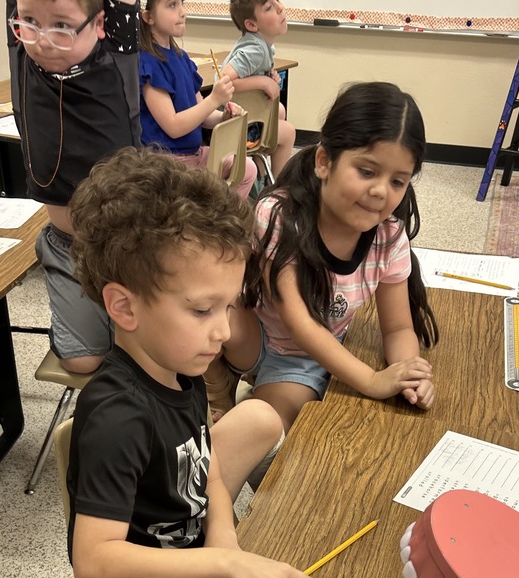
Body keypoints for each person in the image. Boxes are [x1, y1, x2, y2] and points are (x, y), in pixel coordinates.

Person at [66, 147, 338, 578]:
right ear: (124, 306)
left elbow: (204, 463)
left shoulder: (178, 364)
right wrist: (221, 563)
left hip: (194, 551)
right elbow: (95, 566)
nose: (224, 331)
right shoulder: (118, 417)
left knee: (258, 419)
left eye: (229, 306)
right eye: (201, 310)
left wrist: (224, 539)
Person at [204, 81, 438, 432]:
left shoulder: (388, 235)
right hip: (251, 335)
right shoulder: (278, 215)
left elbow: (399, 327)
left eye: (398, 181)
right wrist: (373, 381)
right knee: (199, 308)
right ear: (325, 161)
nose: (380, 191)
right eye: (367, 171)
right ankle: (214, 386)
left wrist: (407, 373)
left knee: (268, 433)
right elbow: (301, 323)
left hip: (303, 359)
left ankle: (243, 397)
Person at [6, 0, 140, 374]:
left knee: (145, 353)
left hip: (127, 243)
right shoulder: (23, 54)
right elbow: (30, 20)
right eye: (30, 22)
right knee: (83, 360)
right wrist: (35, 22)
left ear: (99, 23)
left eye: (62, 27)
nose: (43, 40)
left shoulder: (115, 55)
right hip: (68, 247)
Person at [138, 0, 256, 197]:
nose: (183, 12)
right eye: (172, 5)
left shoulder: (182, 58)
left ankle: (222, 223)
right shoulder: (148, 63)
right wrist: (214, 99)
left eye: (182, 4)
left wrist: (223, 116)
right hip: (167, 164)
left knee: (247, 169)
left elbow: (202, 115)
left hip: (193, 155)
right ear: (148, 17)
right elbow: (173, 127)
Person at [221, 0, 295, 178]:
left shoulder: (262, 45)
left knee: (279, 111)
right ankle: (279, 189)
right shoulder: (255, 49)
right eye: (269, 7)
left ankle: (260, 174)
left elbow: (246, 77)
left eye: (276, 1)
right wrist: (262, 82)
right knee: (288, 131)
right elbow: (224, 80)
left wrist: (267, 79)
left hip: (245, 119)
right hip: (233, 124)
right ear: (252, 24)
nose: (280, 8)